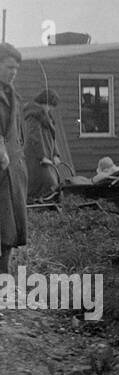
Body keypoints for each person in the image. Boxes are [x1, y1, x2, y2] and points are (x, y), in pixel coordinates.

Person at [0, 42, 28, 276]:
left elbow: (19, 136)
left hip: (12, 174)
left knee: (8, 232)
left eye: (17, 68)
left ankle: (3, 280)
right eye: (9, 67)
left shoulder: (14, 97)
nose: (14, 72)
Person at [23, 90, 63, 201]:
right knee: (44, 184)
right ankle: (37, 209)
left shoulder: (47, 115)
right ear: (44, 102)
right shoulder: (33, 115)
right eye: (49, 105)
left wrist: (56, 154)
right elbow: (34, 137)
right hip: (35, 156)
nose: (50, 108)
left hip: (47, 156)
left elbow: (52, 138)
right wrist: (42, 156)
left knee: (51, 185)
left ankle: (46, 208)